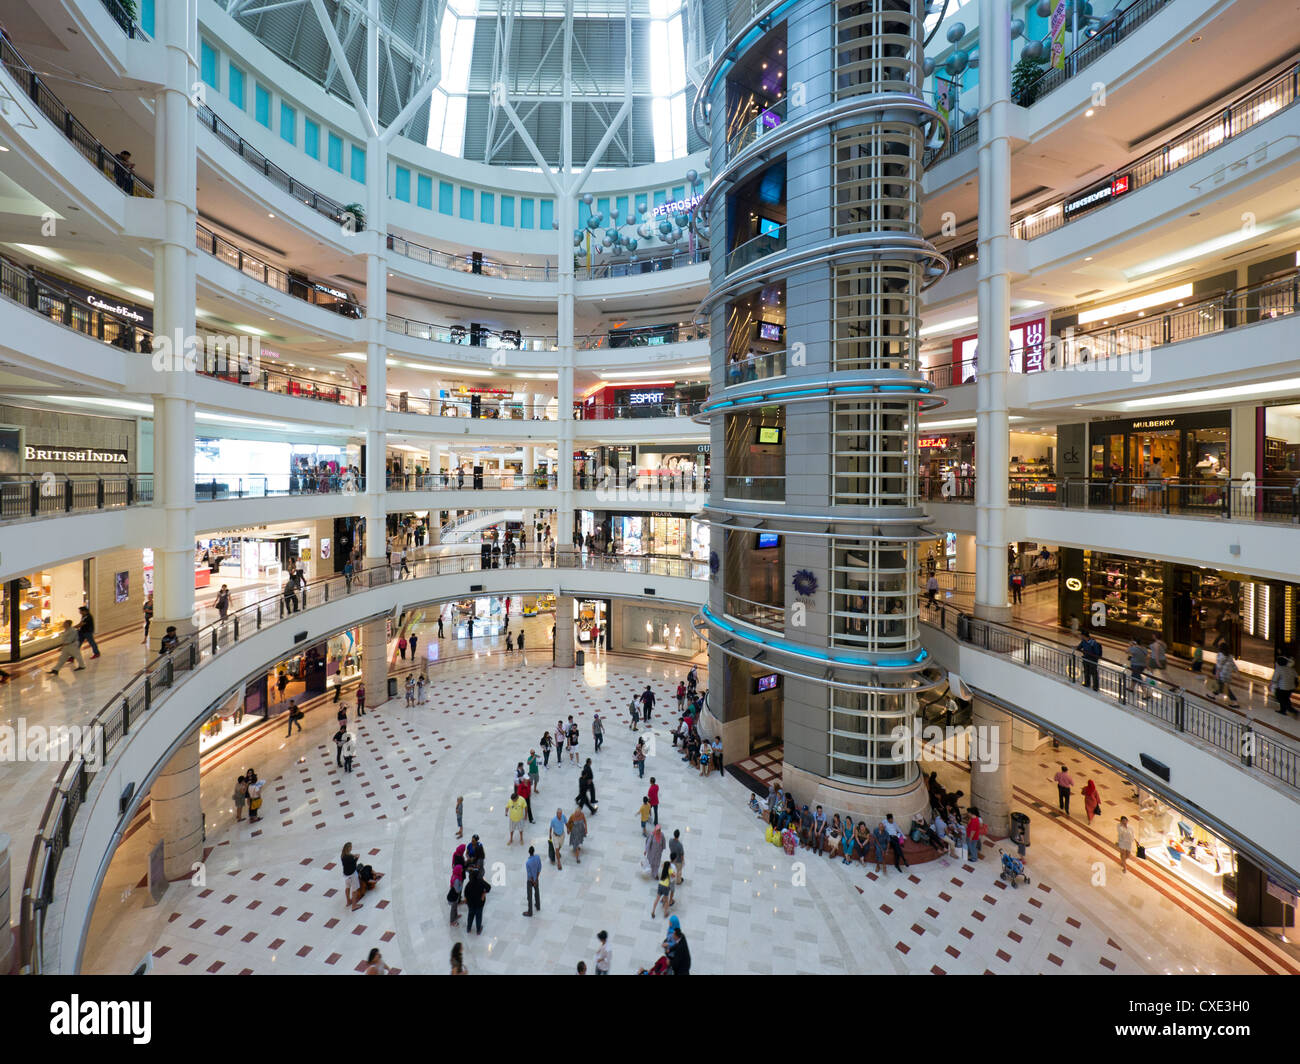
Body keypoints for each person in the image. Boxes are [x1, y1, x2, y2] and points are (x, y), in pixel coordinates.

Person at [463, 867, 490, 935]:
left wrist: (467, 900)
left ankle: (468, 928)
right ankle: (478, 929)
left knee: (470, 915)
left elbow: (465, 893)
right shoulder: (481, 882)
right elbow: (488, 887)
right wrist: (484, 893)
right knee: (478, 916)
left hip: (471, 904)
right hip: (479, 903)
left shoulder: (469, 884)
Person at [341, 842, 364, 912]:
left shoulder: (343, 855)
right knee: (355, 890)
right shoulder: (349, 857)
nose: (351, 848)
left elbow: (350, 857)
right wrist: (357, 858)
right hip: (352, 875)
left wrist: (354, 856)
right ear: (348, 848)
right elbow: (354, 863)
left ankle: (348, 901)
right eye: (351, 847)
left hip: (346, 875)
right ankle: (354, 906)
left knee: (347, 887)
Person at [523, 845, 542, 917]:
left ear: (529, 852)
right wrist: (536, 879)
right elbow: (539, 868)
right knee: (537, 892)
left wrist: (533, 881)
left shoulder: (528, 862)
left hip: (530, 881)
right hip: (536, 878)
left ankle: (530, 912)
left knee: (529, 896)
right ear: (534, 851)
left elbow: (529, 875)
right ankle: (538, 906)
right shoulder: (537, 857)